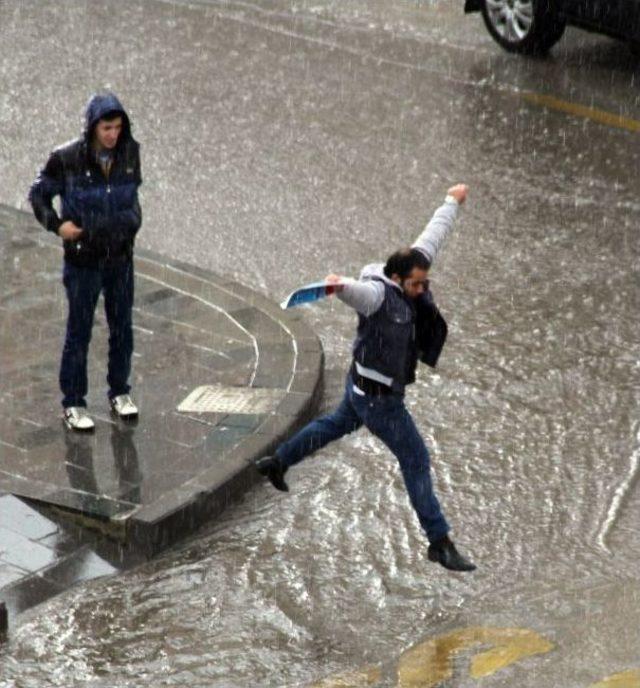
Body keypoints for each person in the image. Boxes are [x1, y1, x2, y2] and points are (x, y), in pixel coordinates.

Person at [257, 184, 476, 572]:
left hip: (360, 386)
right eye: (416, 285)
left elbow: (432, 235)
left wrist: (450, 202)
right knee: (416, 460)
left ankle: (278, 461)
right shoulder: (378, 296)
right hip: (379, 400)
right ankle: (439, 541)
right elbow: (354, 293)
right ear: (396, 279)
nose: (422, 290)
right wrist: (336, 285)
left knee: (335, 423)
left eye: (424, 283)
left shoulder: (411, 274)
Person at [29, 92, 142, 431]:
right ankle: (74, 401)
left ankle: (119, 391)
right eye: (107, 127)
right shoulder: (67, 158)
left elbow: (131, 192)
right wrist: (57, 224)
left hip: (120, 256)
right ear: (93, 127)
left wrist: (131, 222)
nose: (113, 134)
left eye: (118, 127)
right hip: (84, 261)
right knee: (79, 332)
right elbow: (39, 194)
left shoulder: (129, 153)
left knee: (122, 327)